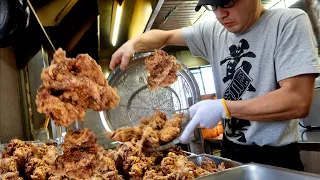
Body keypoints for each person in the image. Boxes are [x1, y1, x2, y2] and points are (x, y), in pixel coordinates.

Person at [110, 0, 320, 171]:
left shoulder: (287, 22)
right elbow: (163, 36)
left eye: (227, 3)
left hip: (275, 157)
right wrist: (133, 44)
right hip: (231, 153)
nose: (220, 15)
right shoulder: (214, 32)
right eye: (213, 6)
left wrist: (224, 107)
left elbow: (297, 100)